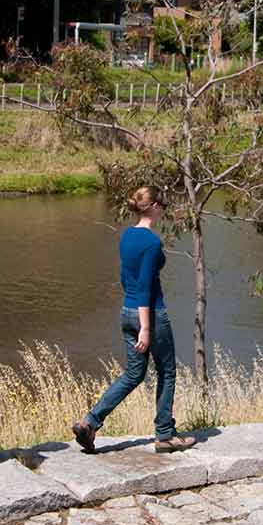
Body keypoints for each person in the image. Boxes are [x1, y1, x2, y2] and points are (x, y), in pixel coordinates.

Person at [74, 185, 195, 454]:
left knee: (133, 374)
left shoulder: (127, 235)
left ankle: (90, 422)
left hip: (127, 311)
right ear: (154, 207)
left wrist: (136, 317)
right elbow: (144, 286)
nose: (164, 209)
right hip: (149, 314)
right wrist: (146, 328)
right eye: (163, 204)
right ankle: (165, 434)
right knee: (167, 372)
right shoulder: (152, 243)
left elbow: (126, 278)